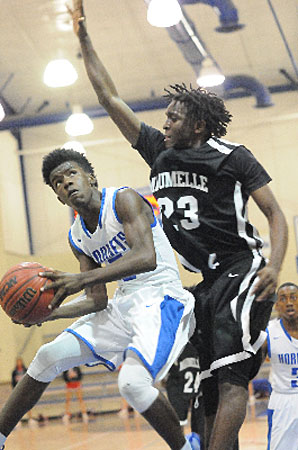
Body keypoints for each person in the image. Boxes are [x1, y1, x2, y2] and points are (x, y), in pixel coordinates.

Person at [68, 2, 288, 449]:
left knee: (229, 379)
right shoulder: (159, 152)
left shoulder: (233, 156)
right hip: (202, 282)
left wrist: (275, 264)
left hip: (240, 269)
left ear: (198, 125)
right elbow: (110, 99)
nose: (164, 122)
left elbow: (275, 214)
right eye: (165, 117)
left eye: (173, 117)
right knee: (208, 382)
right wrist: (84, 39)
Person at [0, 148, 197, 450]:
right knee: (47, 356)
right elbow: (97, 300)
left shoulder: (123, 199)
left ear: (90, 178)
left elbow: (146, 257)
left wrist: (80, 279)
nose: (65, 183)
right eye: (57, 182)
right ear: (58, 197)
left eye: (71, 174)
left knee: (131, 384)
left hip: (161, 298)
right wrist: (48, 313)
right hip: (123, 305)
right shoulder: (77, 236)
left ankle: (186, 448)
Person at [262, 282, 298, 450]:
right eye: (283, 299)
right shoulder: (269, 332)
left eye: (294, 297)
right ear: (277, 305)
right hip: (282, 401)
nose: (289, 302)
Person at [165, 341, 205, 449]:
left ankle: (181, 446)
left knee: (180, 424)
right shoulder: (198, 343)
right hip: (189, 382)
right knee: (181, 423)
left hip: (182, 384)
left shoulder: (175, 345)